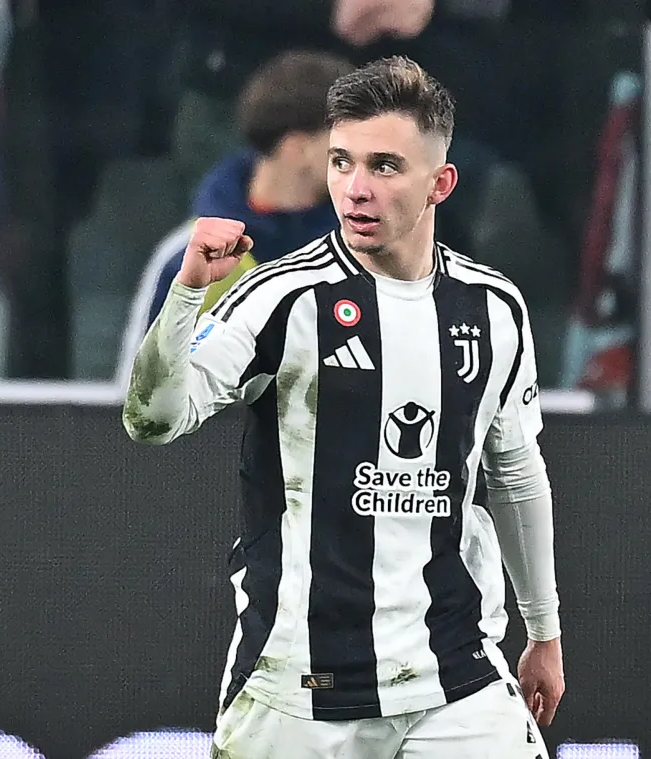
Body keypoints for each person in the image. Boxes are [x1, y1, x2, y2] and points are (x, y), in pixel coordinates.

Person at [121, 57, 563, 758]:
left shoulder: (493, 308)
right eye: (341, 162)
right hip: (301, 686)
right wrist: (186, 293)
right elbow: (153, 419)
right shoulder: (281, 298)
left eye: (384, 166)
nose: (356, 188)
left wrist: (543, 630)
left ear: (440, 184)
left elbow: (514, 471)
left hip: (455, 675)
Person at [115, 50, 351, 389]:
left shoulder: (371, 250)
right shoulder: (187, 256)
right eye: (344, 142)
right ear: (297, 149)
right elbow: (140, 397)